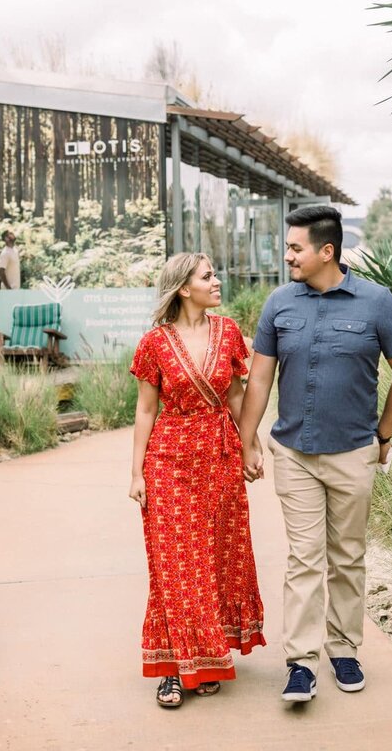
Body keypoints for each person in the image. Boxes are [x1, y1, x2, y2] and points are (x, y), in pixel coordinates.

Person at [238, 205, 392, 703]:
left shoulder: (376, 302)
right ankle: (300, 662)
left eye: (295, 248)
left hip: (354, 452)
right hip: (293, 451)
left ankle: (343, 650)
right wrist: (247, 438)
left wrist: (383, 436)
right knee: (304, 558)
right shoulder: (279, 303)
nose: (287, 255)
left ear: (327, 251)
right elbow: (259, 377)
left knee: (347, 556)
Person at [129, 252, 266, 708]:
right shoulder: (154, 343)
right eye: (208, 276)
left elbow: (235, 394)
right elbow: (147, 409)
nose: (217, 280)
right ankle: (171, 669)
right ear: (184, 288)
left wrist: (251, 444)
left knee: (212, 560)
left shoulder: (228, 333)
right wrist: (137, 473)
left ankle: (205, 660)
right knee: (173, 565)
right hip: (168, 460)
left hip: (219, 456)